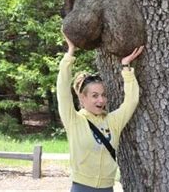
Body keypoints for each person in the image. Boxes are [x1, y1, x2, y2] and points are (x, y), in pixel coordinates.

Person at [57, 33, 144, 192]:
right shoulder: (74, 120)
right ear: (82, 98)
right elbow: (62, 91)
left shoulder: (113, 122)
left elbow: (131, 100)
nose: (101, 101)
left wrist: (126, 67)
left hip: (107, 188)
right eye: (94, 96)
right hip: (81, 187)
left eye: (103, 95)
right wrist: (70, 54)